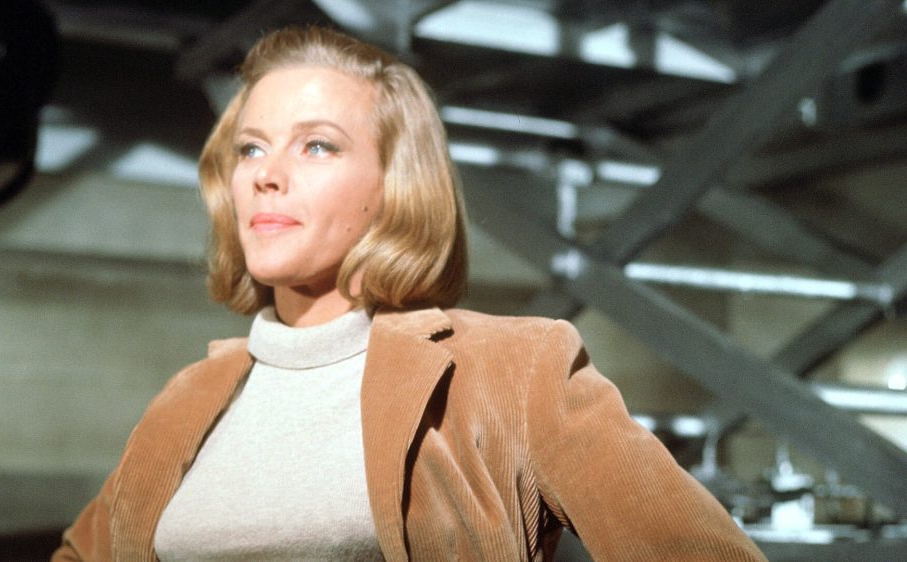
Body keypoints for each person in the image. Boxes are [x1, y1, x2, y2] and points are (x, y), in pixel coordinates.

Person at [53, 25, 767, 562]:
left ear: (394, 186)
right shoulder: (188, 397)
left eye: (317, 145)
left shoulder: (517, 371)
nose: (267, 174)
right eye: (251, 147)